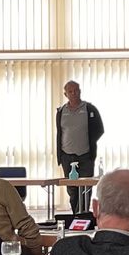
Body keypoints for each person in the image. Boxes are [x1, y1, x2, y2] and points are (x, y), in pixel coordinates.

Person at [54, 80, 105, 216]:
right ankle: (75, 215)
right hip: (66, 155)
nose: (74, 93)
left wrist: (88, 141)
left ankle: (83, 214)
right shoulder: (61, 111)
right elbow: (60, 132)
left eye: (76, 90)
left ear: (80, 91)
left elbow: (99, 129)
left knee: (86, 187)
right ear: (66, 94)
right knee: (72, 189)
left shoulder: (89, 109)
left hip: (85, 155)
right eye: (70, 91)